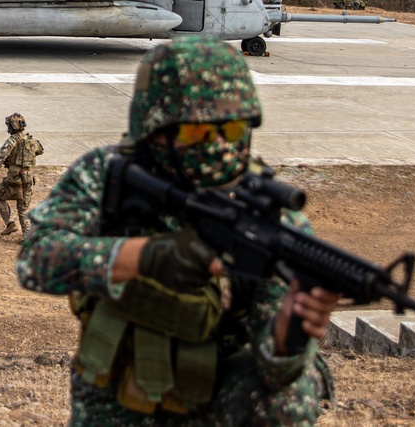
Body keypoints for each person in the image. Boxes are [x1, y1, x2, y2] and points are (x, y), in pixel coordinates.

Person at [17, 36, 339, 425]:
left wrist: (291, 333)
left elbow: (274, 373)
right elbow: (37, 261)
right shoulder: (107, 176)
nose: (218, 146)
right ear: (155, 130)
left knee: (293, 394)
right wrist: (149, 257)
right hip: (117, 391)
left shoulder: (269, 222)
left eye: (233, 130)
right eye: (196, 135)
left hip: (217, 393)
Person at [0, 113, 44, 236]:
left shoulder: (12, 141)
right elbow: (39, 151)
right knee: (23, 209)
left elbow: (0, 160)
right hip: (28, 177)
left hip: (14, 177)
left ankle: (10, 224)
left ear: (12, 126)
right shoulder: (32, 140)